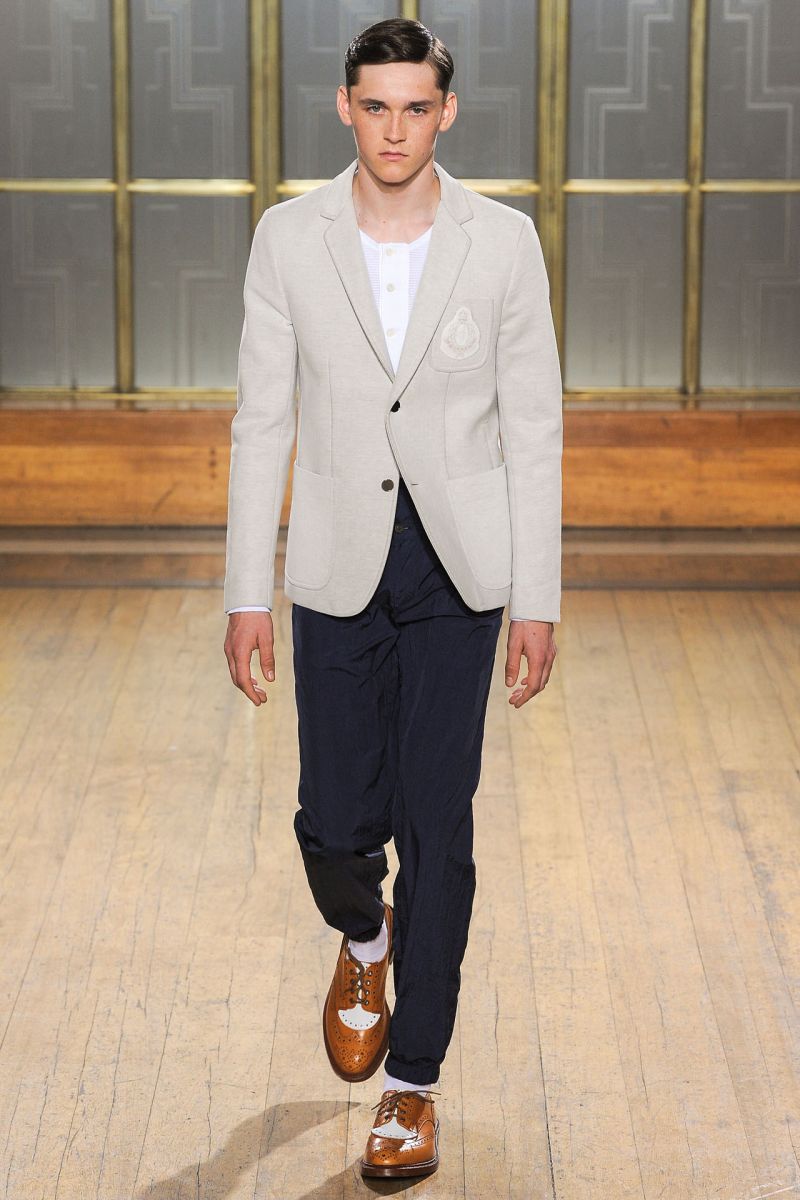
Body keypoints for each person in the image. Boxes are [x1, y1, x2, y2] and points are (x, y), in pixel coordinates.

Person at [223, 16, 562, 1180]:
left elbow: (534, 427)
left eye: (416, 107)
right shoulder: (288, 237)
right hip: (335, 558)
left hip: (459, 569)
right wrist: (245, 591)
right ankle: (362, 940)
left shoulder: (502, 242)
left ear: (445, 113)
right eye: (376, 106)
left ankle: (411, 1085)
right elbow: (261, 418)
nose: (395, 129)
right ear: (345, 107)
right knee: (333, 821)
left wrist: (536, 599)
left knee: (436, 827)